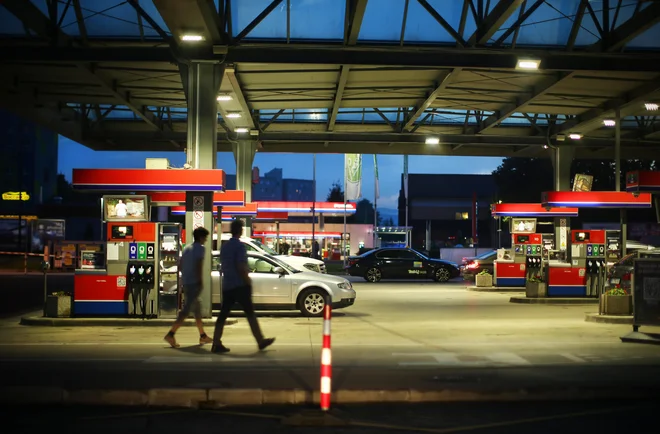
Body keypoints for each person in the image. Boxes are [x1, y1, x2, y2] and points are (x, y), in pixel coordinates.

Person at [211, 219, 275, 353]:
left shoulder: (225, 246)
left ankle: (216, 342)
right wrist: (248, 281)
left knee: (223, 315)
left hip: (228, 284)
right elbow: (241, 266)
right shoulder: (239, 247)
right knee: (250, 313)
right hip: (239, 285)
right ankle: (260, 340)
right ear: (240, 230)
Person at [164, 226, 213, 348]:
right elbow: (198, 266)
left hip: (186, 282)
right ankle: (171, 334)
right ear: (201, 238)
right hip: (193, 283)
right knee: (185, 312)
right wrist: (200, 281)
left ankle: (202, 336)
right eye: (205, 238)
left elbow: (180, 266)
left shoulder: (187, 248)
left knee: (196, 311)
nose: (206, 240)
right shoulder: (200, 249)